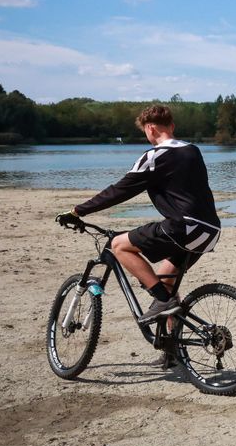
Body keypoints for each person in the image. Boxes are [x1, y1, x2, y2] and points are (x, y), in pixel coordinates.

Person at [58, 104, 221, 325]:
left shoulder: (155, 157)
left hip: (183, 228)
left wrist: (77, 211)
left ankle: (164, 301)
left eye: (145, 130)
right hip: (210, 230)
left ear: (151, 129)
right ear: (171, 126)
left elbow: (119, 191)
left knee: (118, 245)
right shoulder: (192, 150)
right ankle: (172, 355)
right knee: (165, 283)